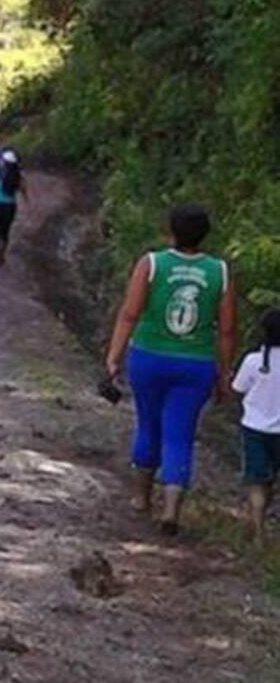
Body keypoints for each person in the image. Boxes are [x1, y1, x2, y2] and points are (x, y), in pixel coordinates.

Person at [104, 204, 237, 536]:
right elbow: (227, 330)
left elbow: (129, 314)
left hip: (149, 358)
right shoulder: (219, 271)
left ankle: (141, 498)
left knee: (148, 424)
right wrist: (224, 374)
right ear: (205, 234)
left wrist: (114, 357)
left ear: (171, 230)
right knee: (180, 432)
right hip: (195, 364)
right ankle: (171, 510)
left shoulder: (151, 264)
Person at [231, 308, 280, 545]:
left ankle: (257, 530)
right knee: (270, 481)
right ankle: (256, 524)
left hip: (255, 429)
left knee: (257, 480)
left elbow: (237, 388)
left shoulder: (254, 361)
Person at [0, 149, 27, 267]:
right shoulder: (18, 175)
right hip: (10, 206)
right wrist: (27, 203)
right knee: (5, 232)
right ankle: (1, 255)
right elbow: (23, 190)